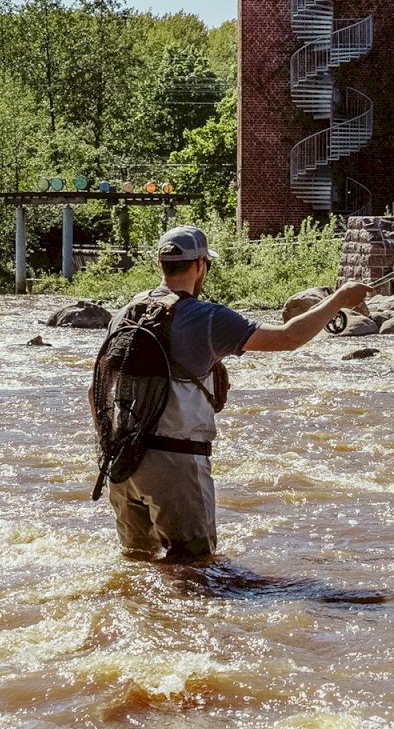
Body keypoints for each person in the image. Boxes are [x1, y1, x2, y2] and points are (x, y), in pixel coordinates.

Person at [94, 224, 370, 563]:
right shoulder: (207, 317)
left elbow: (95, 390)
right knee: (194, 569)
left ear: (160, 265)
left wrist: (111, 448)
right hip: (177, 466)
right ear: (199, 266)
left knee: (136, 566)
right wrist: (340, 299)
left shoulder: (125, 313)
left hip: (122, 464)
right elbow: (288, 338)